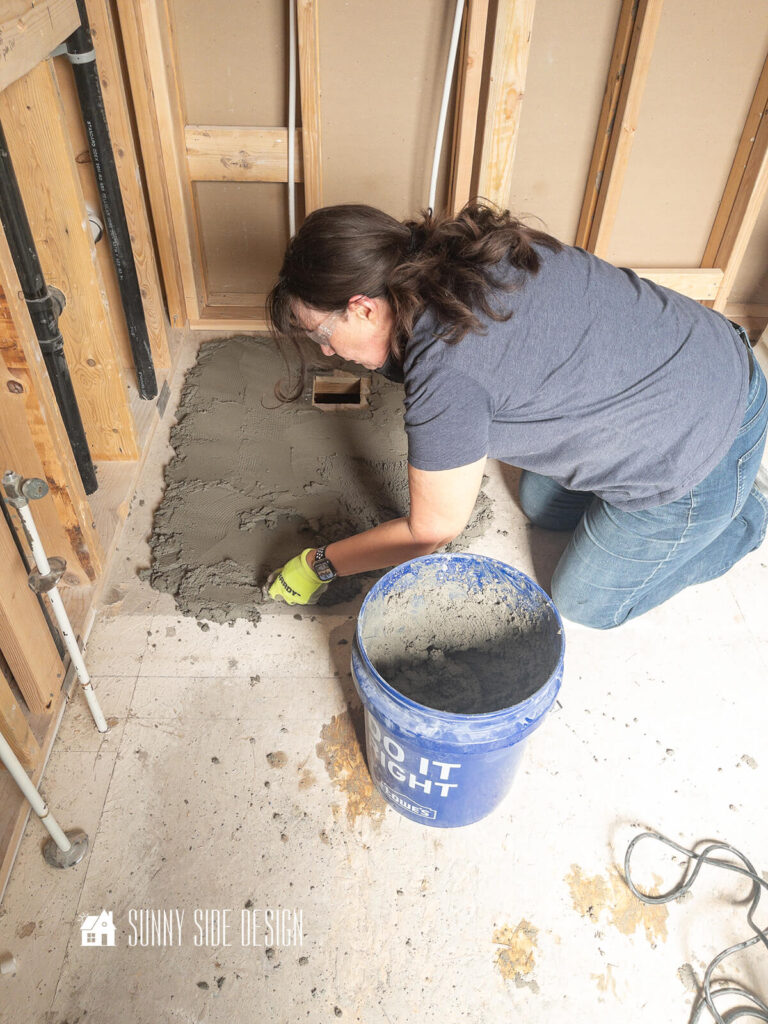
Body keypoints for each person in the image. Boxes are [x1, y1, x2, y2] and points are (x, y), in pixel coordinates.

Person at [264, 201, 768, 628]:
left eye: (322, 334)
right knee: (540, 503)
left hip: (703, 446)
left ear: (364, 308)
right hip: (702, 355)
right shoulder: (461, 252)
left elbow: (431, 531)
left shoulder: (447, 370)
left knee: (585, 602)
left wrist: (320, 565)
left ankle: (747, 517)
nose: (326, 353)